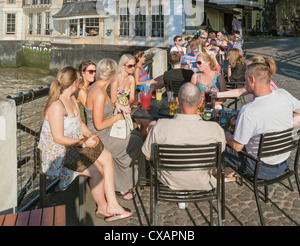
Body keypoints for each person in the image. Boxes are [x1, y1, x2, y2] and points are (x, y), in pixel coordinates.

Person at [38, 66, 132, 222]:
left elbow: (79, 122)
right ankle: (103, 207)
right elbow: (58, 138)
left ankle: (113, 204)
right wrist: (83, 141)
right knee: (98, 171)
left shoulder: (72, 99)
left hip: (74, 147)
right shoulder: (56, 106)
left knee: (106, 155)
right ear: (75, 83)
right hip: (59, 155)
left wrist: (90, 134)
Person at [142, 82, 226, 191]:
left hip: (169, 181)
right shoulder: (215, 129)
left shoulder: (160, 126)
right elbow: (218, 157)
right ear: (201, 102)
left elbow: (148, 156)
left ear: (177, 102)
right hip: (202, 181)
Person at [224, 63, 300, 179]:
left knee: (220, 145)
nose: (245, 84)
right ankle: (229, 173)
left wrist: (226, 135)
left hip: (260, 168)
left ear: (252, 80)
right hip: (283, 162)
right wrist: (286, 122)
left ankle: (221, 175)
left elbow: (237, 147)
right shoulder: (283, 94)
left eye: (245, 80)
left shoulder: (249, 111)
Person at [85, 58, 143, 201]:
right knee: (134, 143)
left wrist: (116, 105)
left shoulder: (99, 87)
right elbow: (98, 125)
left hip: (104, 133)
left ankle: (127, 180)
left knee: (135, 135)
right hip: (100, 138)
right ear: (112, 75)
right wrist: (118, 118)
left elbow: (104, 107)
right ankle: (122, 186)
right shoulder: (99, 93)